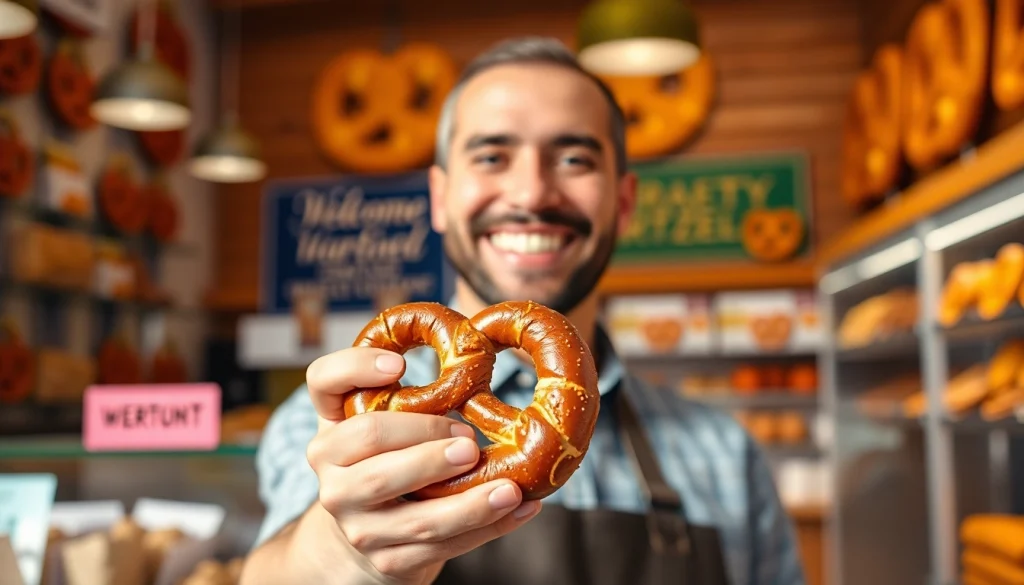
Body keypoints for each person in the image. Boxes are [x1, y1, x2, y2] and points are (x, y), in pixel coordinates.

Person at [240, 36, 806, 585]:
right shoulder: (336, 426)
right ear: (440, 198)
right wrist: (342, 554)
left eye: (574, 158)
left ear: (623, 201)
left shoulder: (725, 453)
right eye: (492, 156)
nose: (532, 193)